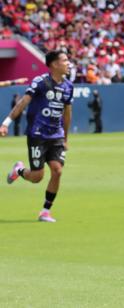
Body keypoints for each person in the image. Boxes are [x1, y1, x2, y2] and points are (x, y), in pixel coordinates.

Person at [0, 50, 74, 222]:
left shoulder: (68, 87)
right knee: (37, 177)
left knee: (57, 170)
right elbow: (23, 102)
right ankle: (19, 170)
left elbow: (67, 113)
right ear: (54, 64)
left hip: (56, 135)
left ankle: (45, 211)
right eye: (65, 60)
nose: (68, 63)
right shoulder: (40, 82)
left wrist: (65, 139)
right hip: (37, 134)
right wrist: (5, 123)